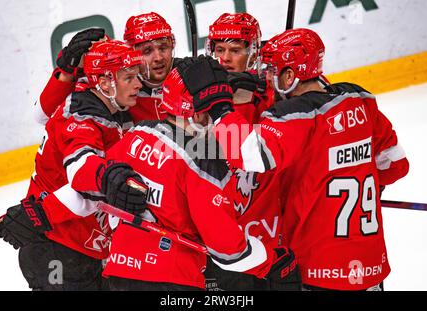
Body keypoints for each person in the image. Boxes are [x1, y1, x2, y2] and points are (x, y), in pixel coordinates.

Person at [190, 28, 410, 291]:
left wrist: (219, 106)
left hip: (319, 269)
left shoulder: (296, 115)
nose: (267, 78)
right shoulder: (359, 100)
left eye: (273, 71)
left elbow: (248, 154)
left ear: (291, 76)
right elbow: (395, 165)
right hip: (372, 265)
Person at [65, 56, 301, 291]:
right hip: (174, 282)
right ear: (198, 114)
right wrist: (272, 262)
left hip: (118, 275)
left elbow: (87, 187)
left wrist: (44, 210)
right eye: (215, 114)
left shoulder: (136, 135)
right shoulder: (202, 163)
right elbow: (228, 251)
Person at [0, 40, 148, 290]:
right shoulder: (83, 119)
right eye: (129, 77)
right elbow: (82, 174)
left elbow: (42, 112)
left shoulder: (106, 103)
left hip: (83, 246)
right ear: (106, 81)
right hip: (56, 249)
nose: (138, 84)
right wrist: (110, 179)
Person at [203, 12, 285, 291]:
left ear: (253, 54)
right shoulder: (197, 95)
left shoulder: (273, 96)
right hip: (224, 238)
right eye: (219, 50)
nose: (224, 58)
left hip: (271, 230)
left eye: (235, 50)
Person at [34, 12, 177, 126]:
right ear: (131, 51)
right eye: (147, 51)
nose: (158, 57)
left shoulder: (185, 75)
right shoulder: (110, 82)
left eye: (164, 48)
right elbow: (42, 117)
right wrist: (67, 73)